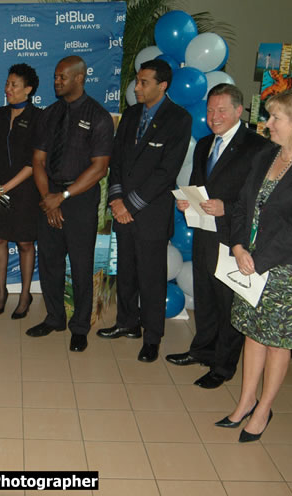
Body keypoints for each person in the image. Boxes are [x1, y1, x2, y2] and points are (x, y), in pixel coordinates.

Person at [219, 88, 292, 442]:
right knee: (253, 334)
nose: (267, 124)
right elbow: (241, 205)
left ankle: (264, 409)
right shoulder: (266, 155)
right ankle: (245, 401)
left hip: (285, 269)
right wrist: (238, 246)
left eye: (275, 118)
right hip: (249, 259)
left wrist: (259, 260)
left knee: (277, 341)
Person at [165, 84, 272, 388]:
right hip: (204, 235)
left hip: (234, 239)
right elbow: (200, 185)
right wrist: (188, 201)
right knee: (206, 297)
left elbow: (261, 200)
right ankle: (201, 350)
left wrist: (228, 207)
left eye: (222, 110)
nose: (214, 116)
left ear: (239, 111)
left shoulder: (257, 147)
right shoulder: (204, 144)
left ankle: (223, 366)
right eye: (211, 110)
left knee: (228, 305)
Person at [99, 59, 191, 363]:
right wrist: (116, 199)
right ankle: (127, 323)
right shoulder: (132, 114)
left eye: (144, 82)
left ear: (162, 85)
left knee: (151, 278)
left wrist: (130, 205)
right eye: (137, 81)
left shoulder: (178, 119)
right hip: (122, 209)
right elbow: (117, 160)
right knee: (125, 272)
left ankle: (152, 337)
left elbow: (166, 172)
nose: (136, 88)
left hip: (149, 213)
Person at [25, 55, 113, 353]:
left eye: (62, 77)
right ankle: (54, 318)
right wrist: (48, 199)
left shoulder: (98, 116)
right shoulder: (48, 114)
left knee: (80, 264)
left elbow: (99, 168)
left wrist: (62, 198)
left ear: (80, 78)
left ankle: (80, 326)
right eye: (55, 77)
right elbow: (37, 161)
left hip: (79, 200)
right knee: (49, 262)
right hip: (48, 195)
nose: (56, 81)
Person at [0, 64, 41, 319]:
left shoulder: (39, 117)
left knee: (25, 243)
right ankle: (1, 291)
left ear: (28, 89)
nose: (8, 89)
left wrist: (4, 187)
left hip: (25, 190)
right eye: (7, 84)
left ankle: (25, 294)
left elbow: (34, 163)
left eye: (14, 85)